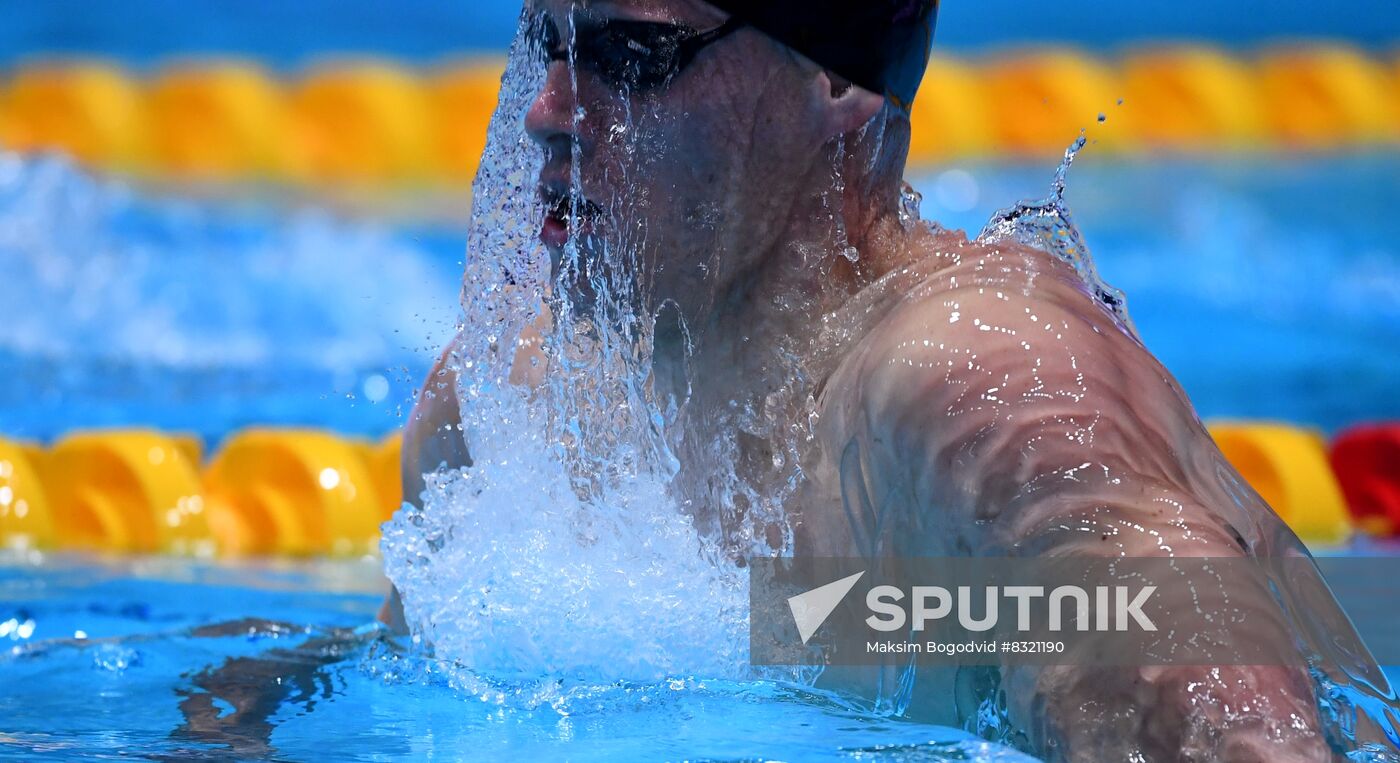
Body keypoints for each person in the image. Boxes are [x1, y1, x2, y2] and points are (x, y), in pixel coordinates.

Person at [384, 1, 1398, 760]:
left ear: (833, 84)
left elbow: (1195, 675)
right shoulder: (514, 405)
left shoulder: (970, 373)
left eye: (632, 56)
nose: (550, 111)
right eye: (543, 42)